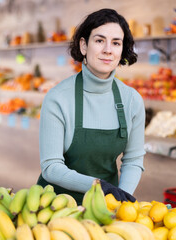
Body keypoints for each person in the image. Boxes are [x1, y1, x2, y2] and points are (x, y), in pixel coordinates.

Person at [37, 8, 146, 205]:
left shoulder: (132, 100)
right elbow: (51, 167)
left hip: (105, 205)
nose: (108, 50)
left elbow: (133, 160)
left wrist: (120, 197)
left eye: (116, 43)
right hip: (54, 206)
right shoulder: (58, 98)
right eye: (99, 40)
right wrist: (99, 185)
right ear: (84, 46)